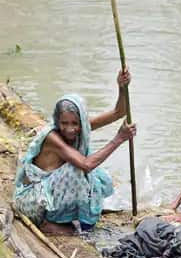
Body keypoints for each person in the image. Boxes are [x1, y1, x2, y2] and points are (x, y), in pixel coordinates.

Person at [13, 68, 137, 235]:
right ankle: (50, 222)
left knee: (98, 175)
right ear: (57, 121)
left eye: (75, 123)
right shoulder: (53, 137)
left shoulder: (81, 127)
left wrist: (122, 87)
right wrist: (119, 139)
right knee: (77, 169)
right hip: (31, 203)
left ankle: (69, 215)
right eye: (64, 123)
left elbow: (118, 112)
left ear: (82, 121)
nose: (70, 129)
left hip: (46, 195)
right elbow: (86, 165)